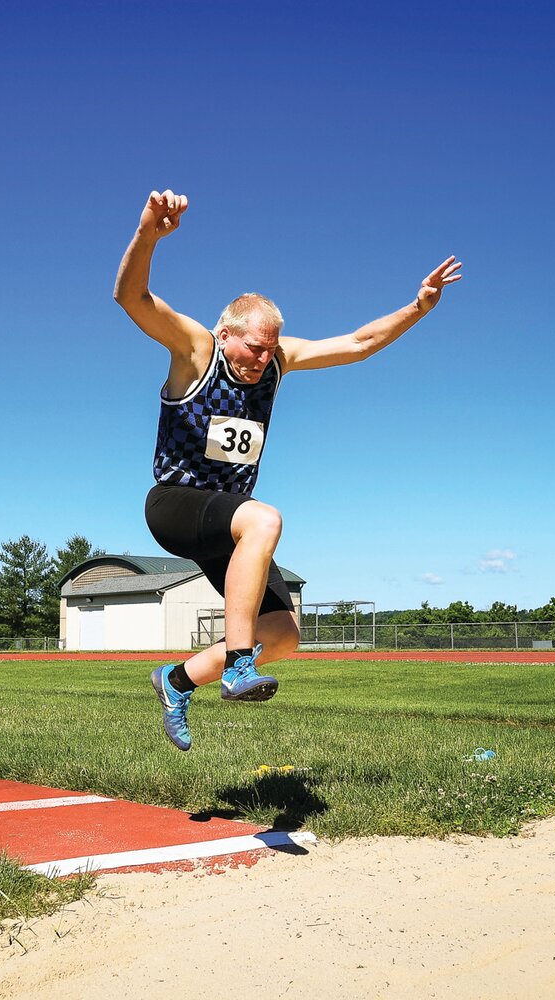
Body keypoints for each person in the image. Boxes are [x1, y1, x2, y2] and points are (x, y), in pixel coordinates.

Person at [114, 190, 461, 750]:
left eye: (269, 349)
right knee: (265, 519)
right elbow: (131, 298)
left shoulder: (275, 360)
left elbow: (357, 343)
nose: (260, 360)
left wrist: (416, 307)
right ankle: (236, 668)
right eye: (252, 348)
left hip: (226, 520)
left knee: (284, 634)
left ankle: (175, 682)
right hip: (175, 503)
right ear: (226, 334)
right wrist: (148, 233)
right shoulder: (197, 349)